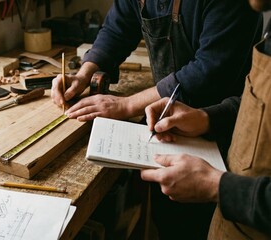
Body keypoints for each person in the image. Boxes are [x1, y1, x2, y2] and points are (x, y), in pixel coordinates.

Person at [52, 0, 262, 239]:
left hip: (227, 130)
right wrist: (84, 73)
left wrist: (127, 104)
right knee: (170, 217)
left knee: (207, 224)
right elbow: (117, 29)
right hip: (173, 126)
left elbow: (209, 70)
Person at [141, 2, 271, 236]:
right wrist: (207, 118)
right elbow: (261, 103)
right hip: (232, 223)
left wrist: (217, 187)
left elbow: (208, 68)